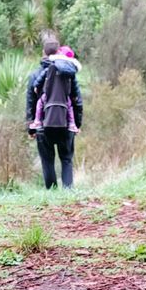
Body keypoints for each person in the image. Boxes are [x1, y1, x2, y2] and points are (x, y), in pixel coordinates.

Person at [26, 32, 83, 189]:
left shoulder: (35, 75)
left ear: (44, 53)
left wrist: (30, 127)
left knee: (47, 160)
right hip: (65, 122)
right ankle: (68, 191)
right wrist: (77, 123)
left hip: (43, 124)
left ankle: (51, 193)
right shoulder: (69, 73)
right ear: (58, 52)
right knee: (66, 158)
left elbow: (31, 102)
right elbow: (77, 100)